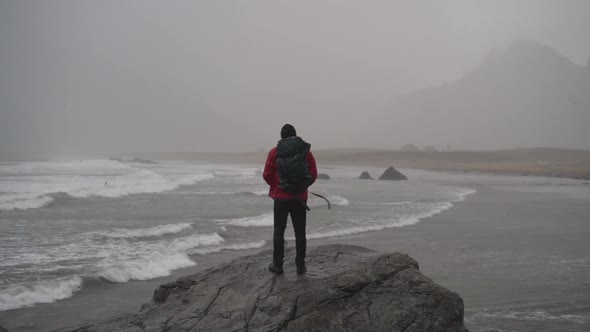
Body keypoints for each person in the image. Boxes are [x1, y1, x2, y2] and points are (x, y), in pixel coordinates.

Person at [263, 124, 317, 275]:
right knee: (300, 232)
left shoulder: (274, 152)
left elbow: (266, 175)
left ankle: (277, 265)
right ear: (295, 135)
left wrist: (279, 186)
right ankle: (300, 265)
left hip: (280, 198)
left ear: (281, 137)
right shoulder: (305, 152)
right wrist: (301, 186)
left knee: (279, 231)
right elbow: (313, 174)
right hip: (300, 198)